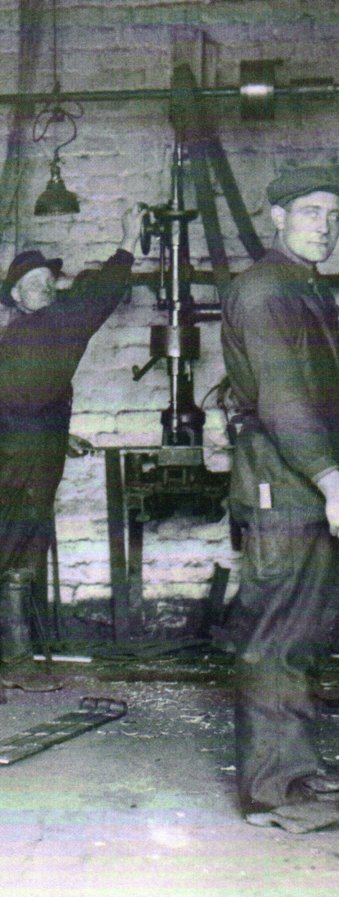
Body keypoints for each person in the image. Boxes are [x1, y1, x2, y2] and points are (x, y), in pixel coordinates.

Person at [221, 165, 339, 825]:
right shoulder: (265, 290)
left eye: (334, 215)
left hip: (304, 485)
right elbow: (284, 400)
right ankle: (271, 789)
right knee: (277, 634)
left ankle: (297, 767)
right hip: (285, 487)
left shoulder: (302, 283)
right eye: (311, 211)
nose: (325, 225)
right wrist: (335, 487)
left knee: (303, 631)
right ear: (277, 216)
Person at [0, 204, 143, 677]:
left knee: (16, 557)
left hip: (23, 458)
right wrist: (127, 243)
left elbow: (21, 402)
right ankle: (16, 664)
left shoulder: (17, 337)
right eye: (34, 282)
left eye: (49, 280)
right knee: (15, 560)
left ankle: (14, 661)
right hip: (20, 469)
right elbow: (96, 298)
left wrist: (59, 437)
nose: (46, 286)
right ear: (16, 295)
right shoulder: (47, 328)